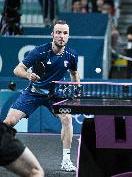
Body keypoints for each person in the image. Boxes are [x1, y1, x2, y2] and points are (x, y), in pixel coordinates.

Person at [4, 20, 80, 172]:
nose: (61, 36)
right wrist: (28, 75)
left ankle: (66, 160)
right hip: (34, 92)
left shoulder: (72, 55)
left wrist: (77, 90)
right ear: (52, 34)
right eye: (58, 32)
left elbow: (74, 73)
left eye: (65, 33)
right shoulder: (40, 51)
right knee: (9, 122)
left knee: (67, 118)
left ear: (68, 36)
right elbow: (17, 69)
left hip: (56, 95)